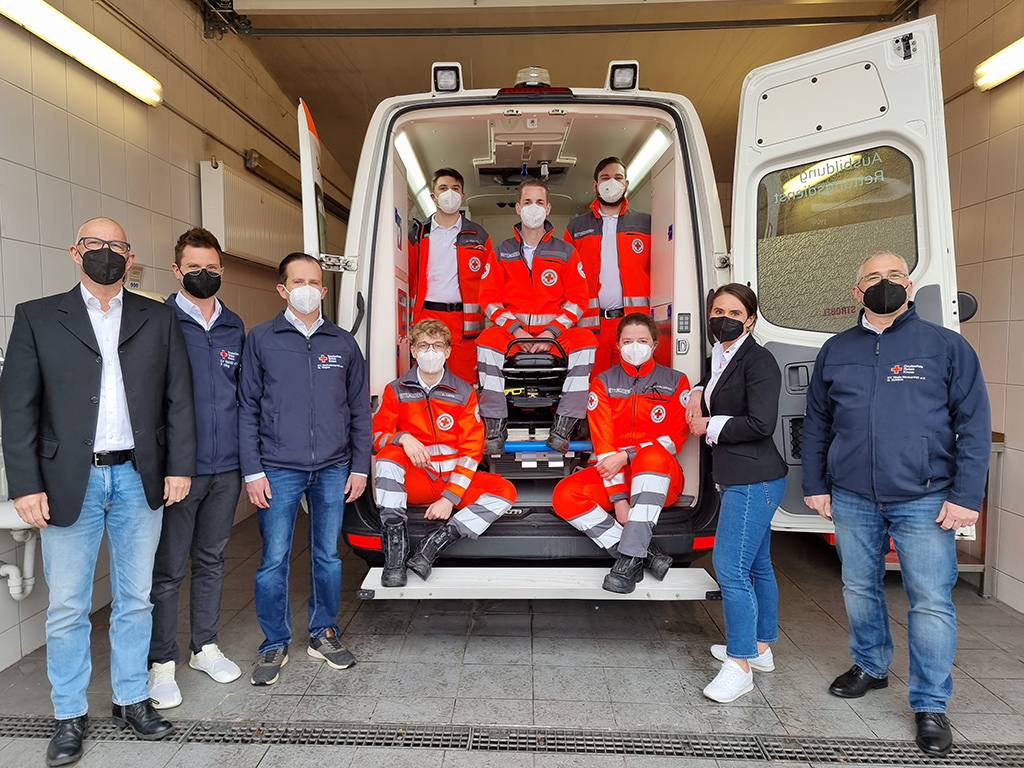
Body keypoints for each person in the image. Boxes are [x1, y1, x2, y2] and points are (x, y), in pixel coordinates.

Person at [0, 217, 196, 767]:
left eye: (117, 246)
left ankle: (131, 698)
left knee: (135, 599)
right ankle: (69, 714)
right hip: (70, 480)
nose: (106, 254)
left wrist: (179, 467)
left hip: (139, 476)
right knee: (68, 606)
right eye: (96, 245)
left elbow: (178, 398)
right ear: (74, 252)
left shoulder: (157, 318)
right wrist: (25, 485)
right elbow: (17, 410)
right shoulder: (38, 317)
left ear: (130, 259)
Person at [802, 252, 991, 757]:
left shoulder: (945, 346)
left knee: (930, 600)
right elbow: (817, 422)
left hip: (925, 497)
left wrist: (967, 496)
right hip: (852, 495)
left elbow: (973, 423)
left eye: (894, 276)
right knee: (858, 585)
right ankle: (870, 665)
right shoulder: (836, 349)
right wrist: (815, 483)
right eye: (872, 277)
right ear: (856, 291)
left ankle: (931, 704)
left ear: (909, 287)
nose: (884, 284)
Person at [238, 253, 370, 686]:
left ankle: (323, 632)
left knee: (328, 556)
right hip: (277, 468)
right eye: (299, 281)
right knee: (274, 559)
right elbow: (247, 409)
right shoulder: (261, 339)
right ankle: (274, 642)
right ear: (283, 289)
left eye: (314, 281)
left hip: (334, 467)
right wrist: (252, 471)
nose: (307, 287)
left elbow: (358, 411)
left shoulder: (343, 343)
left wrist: (360, 466)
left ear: (325, 290)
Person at [147, 228, 246, 710]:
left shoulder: (234, 325)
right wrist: (168, 465)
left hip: (225, 468)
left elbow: (242, 397)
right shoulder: (157, 321)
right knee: (167, 570)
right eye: (194, 268)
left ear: (221, 271)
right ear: (176, 270)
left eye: (211, 268)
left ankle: (203, 646)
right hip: (176, 472)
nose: (203, 275)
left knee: (211, 560)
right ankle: (161, 662)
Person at [685, 284, 788, 704]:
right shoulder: (725, 354)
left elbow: (761, 423)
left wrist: (707, 426)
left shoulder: (760, 361)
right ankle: (761, 648)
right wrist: (695, 389)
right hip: (740, 477)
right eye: (716, 310)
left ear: (750, 319)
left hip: (753, 479)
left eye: (733, 311)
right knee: (758, 565)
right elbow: (716, 384)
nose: (722, 317)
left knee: (729, 568)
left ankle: (740, 664)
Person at [371, 319, 517, 586]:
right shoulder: (395, 390)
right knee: (387, 458)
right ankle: (394, 557)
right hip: (417, 479)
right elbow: (377, 436)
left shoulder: (463, 392)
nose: (430, 352)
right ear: (413, 350)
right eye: (424, 346)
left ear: (448, 352)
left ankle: (432, 546)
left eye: (437, 346)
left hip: (452, 481)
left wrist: (450, 498)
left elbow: (471, 450)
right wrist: (403, 438)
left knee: (505, 491)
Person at [552, 313, 689, 593]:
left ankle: (626, 563)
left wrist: (629, 454)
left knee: (650, 456)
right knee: (564, 495)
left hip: (660, 478)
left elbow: (674, 440)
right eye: (628, 341)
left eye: (641, 340)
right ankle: (645, 554)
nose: (634, 346)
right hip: (614, 477)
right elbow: (603, 444)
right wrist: (618, 500)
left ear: (654, 344)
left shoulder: (676, 381)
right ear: (617, 345)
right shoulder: (603, 382)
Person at [476, 178, 596, 454]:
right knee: (486, 340)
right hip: (511, 335)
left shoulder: (567, 252)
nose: (534, 208)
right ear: (518, 208)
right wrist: (516, 330)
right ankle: (495, 428)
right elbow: (489, 300)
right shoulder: (500, 252)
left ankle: (563, 427)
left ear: (548, 208)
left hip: (555, 336)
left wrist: (550, 332)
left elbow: (578, 300)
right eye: (528, 203)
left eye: (539, 203)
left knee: (586, 340)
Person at [564, 157, 651, 377]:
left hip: (634, 325)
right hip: (591, 327)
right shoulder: (576, 228)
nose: (611, 183)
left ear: (626, 184)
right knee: (595, 386)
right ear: (595, 185)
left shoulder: (647, 224)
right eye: (605, 178)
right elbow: (566, 280)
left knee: (635, 384)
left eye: (617, 177)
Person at [407, 168, 494, 382]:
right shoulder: (418, 234)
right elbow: (407, 277)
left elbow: (490, 282)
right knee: (426, 379)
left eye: (455, 189)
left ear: (463, 196)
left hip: (464, 324)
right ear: (433, 196)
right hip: (426, 317)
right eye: (443, 188)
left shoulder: (479, 237)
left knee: (464, 383)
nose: (450, 193)